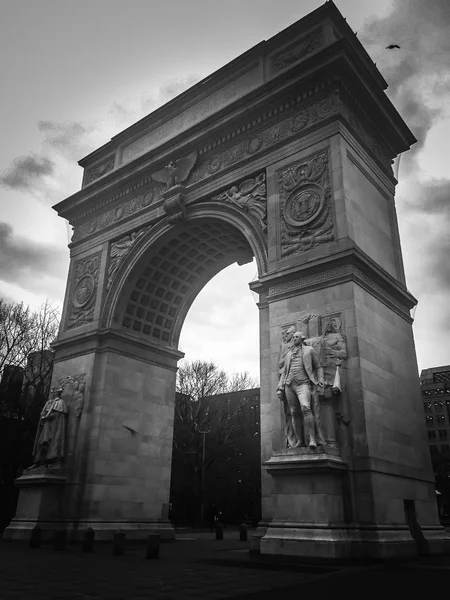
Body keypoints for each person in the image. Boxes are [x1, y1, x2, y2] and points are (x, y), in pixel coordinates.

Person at [277, 331, 325, 449]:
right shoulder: (288, 354)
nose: (294, 339)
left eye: (296, 337)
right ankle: (300, 441)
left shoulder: (309, 350)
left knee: (306, 407)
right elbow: (284, 372)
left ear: (302, 338)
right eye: (293, 337)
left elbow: (318, 367)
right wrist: (280, 387)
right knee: (294, 412)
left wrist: (321, 379)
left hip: (303, 383)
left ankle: (313, 439)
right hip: (289, 385)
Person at [31, 387, 68, 467]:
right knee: (41, 442)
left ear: (56, 393)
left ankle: (49, 461)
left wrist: (48, 416)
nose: (52, 394)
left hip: (53, 429)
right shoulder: (49, 402)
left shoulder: (60, 402)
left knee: (51, 443)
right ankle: (38, 461)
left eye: (54, 392)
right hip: (46, 426)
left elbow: (58, 416)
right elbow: (44, 412)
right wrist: (44, 417)